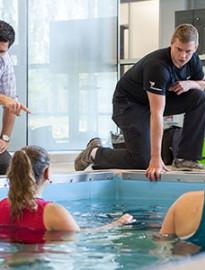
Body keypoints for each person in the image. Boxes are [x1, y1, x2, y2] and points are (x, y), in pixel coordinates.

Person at [74, 24, 205, 181]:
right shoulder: (158, 66)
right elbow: (156, 113)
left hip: (155, 99)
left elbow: (203, 83)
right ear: (171, 43)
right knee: (143, 162)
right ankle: (95, 153)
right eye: (179, 49)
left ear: (195, 48)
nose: (183, 56)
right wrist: (156, 158)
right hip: (128, 104)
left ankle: (186, 159)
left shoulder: (193, 60)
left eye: (188, 51)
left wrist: (189, 84)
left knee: (200, 99)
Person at [0, 145, 134, 240]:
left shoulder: (2, 206)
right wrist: (116, 225)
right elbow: (82, 236)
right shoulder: (52, 211)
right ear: (47, 173)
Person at [0, 20, 30, 174]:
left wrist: (4, 139)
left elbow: (11, 102)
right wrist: (2, 99)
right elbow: (6, 100)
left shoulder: (4, 61)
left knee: (10, 169)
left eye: (1, 51)